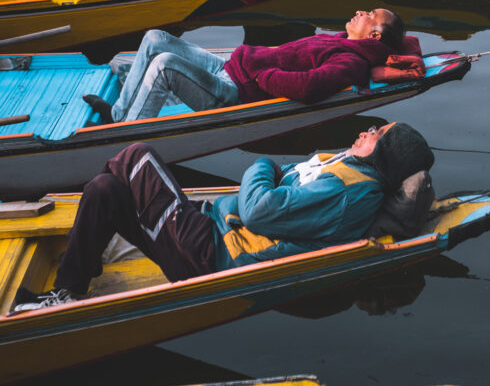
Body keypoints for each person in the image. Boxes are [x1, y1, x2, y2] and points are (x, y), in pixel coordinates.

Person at [12, 121, 434, 311]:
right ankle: (68, 289)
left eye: (376, 133)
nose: (366, 132)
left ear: (383, 152)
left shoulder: (346, 189)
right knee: (105, 190)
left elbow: (258, 208)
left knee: (137, 155)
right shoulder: (346, 171)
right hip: (206, 231)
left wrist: (262, 165)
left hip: (211, 252)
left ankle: (104, 243)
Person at [83, 8, 406, 124]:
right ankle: (120, 113)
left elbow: (309, 87)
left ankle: (123, 131)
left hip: (235, 91)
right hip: (230, 67)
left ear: (375, 34)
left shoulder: (350, 60)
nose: (360, 12)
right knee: (156, 38)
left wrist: (260, 73)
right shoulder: (343, 41)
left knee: (165, 64)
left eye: (369, 15)